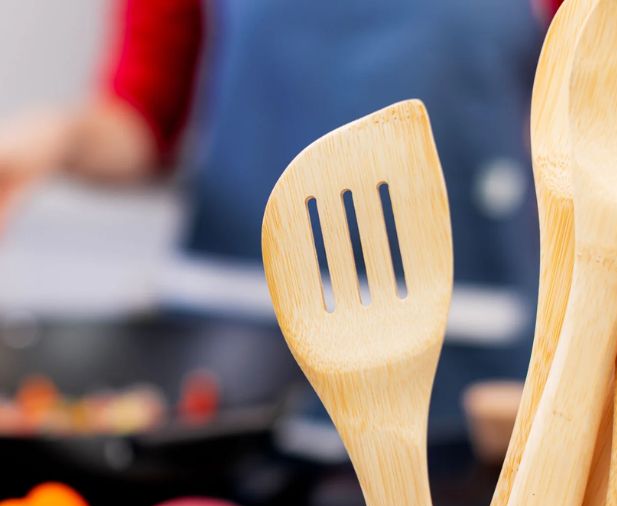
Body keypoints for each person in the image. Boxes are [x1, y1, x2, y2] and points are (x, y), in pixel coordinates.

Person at [0, 0, 562, 433]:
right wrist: (57, 137)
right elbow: (144, 117)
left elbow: (590, 110)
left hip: (463, 361)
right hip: (226, 361)